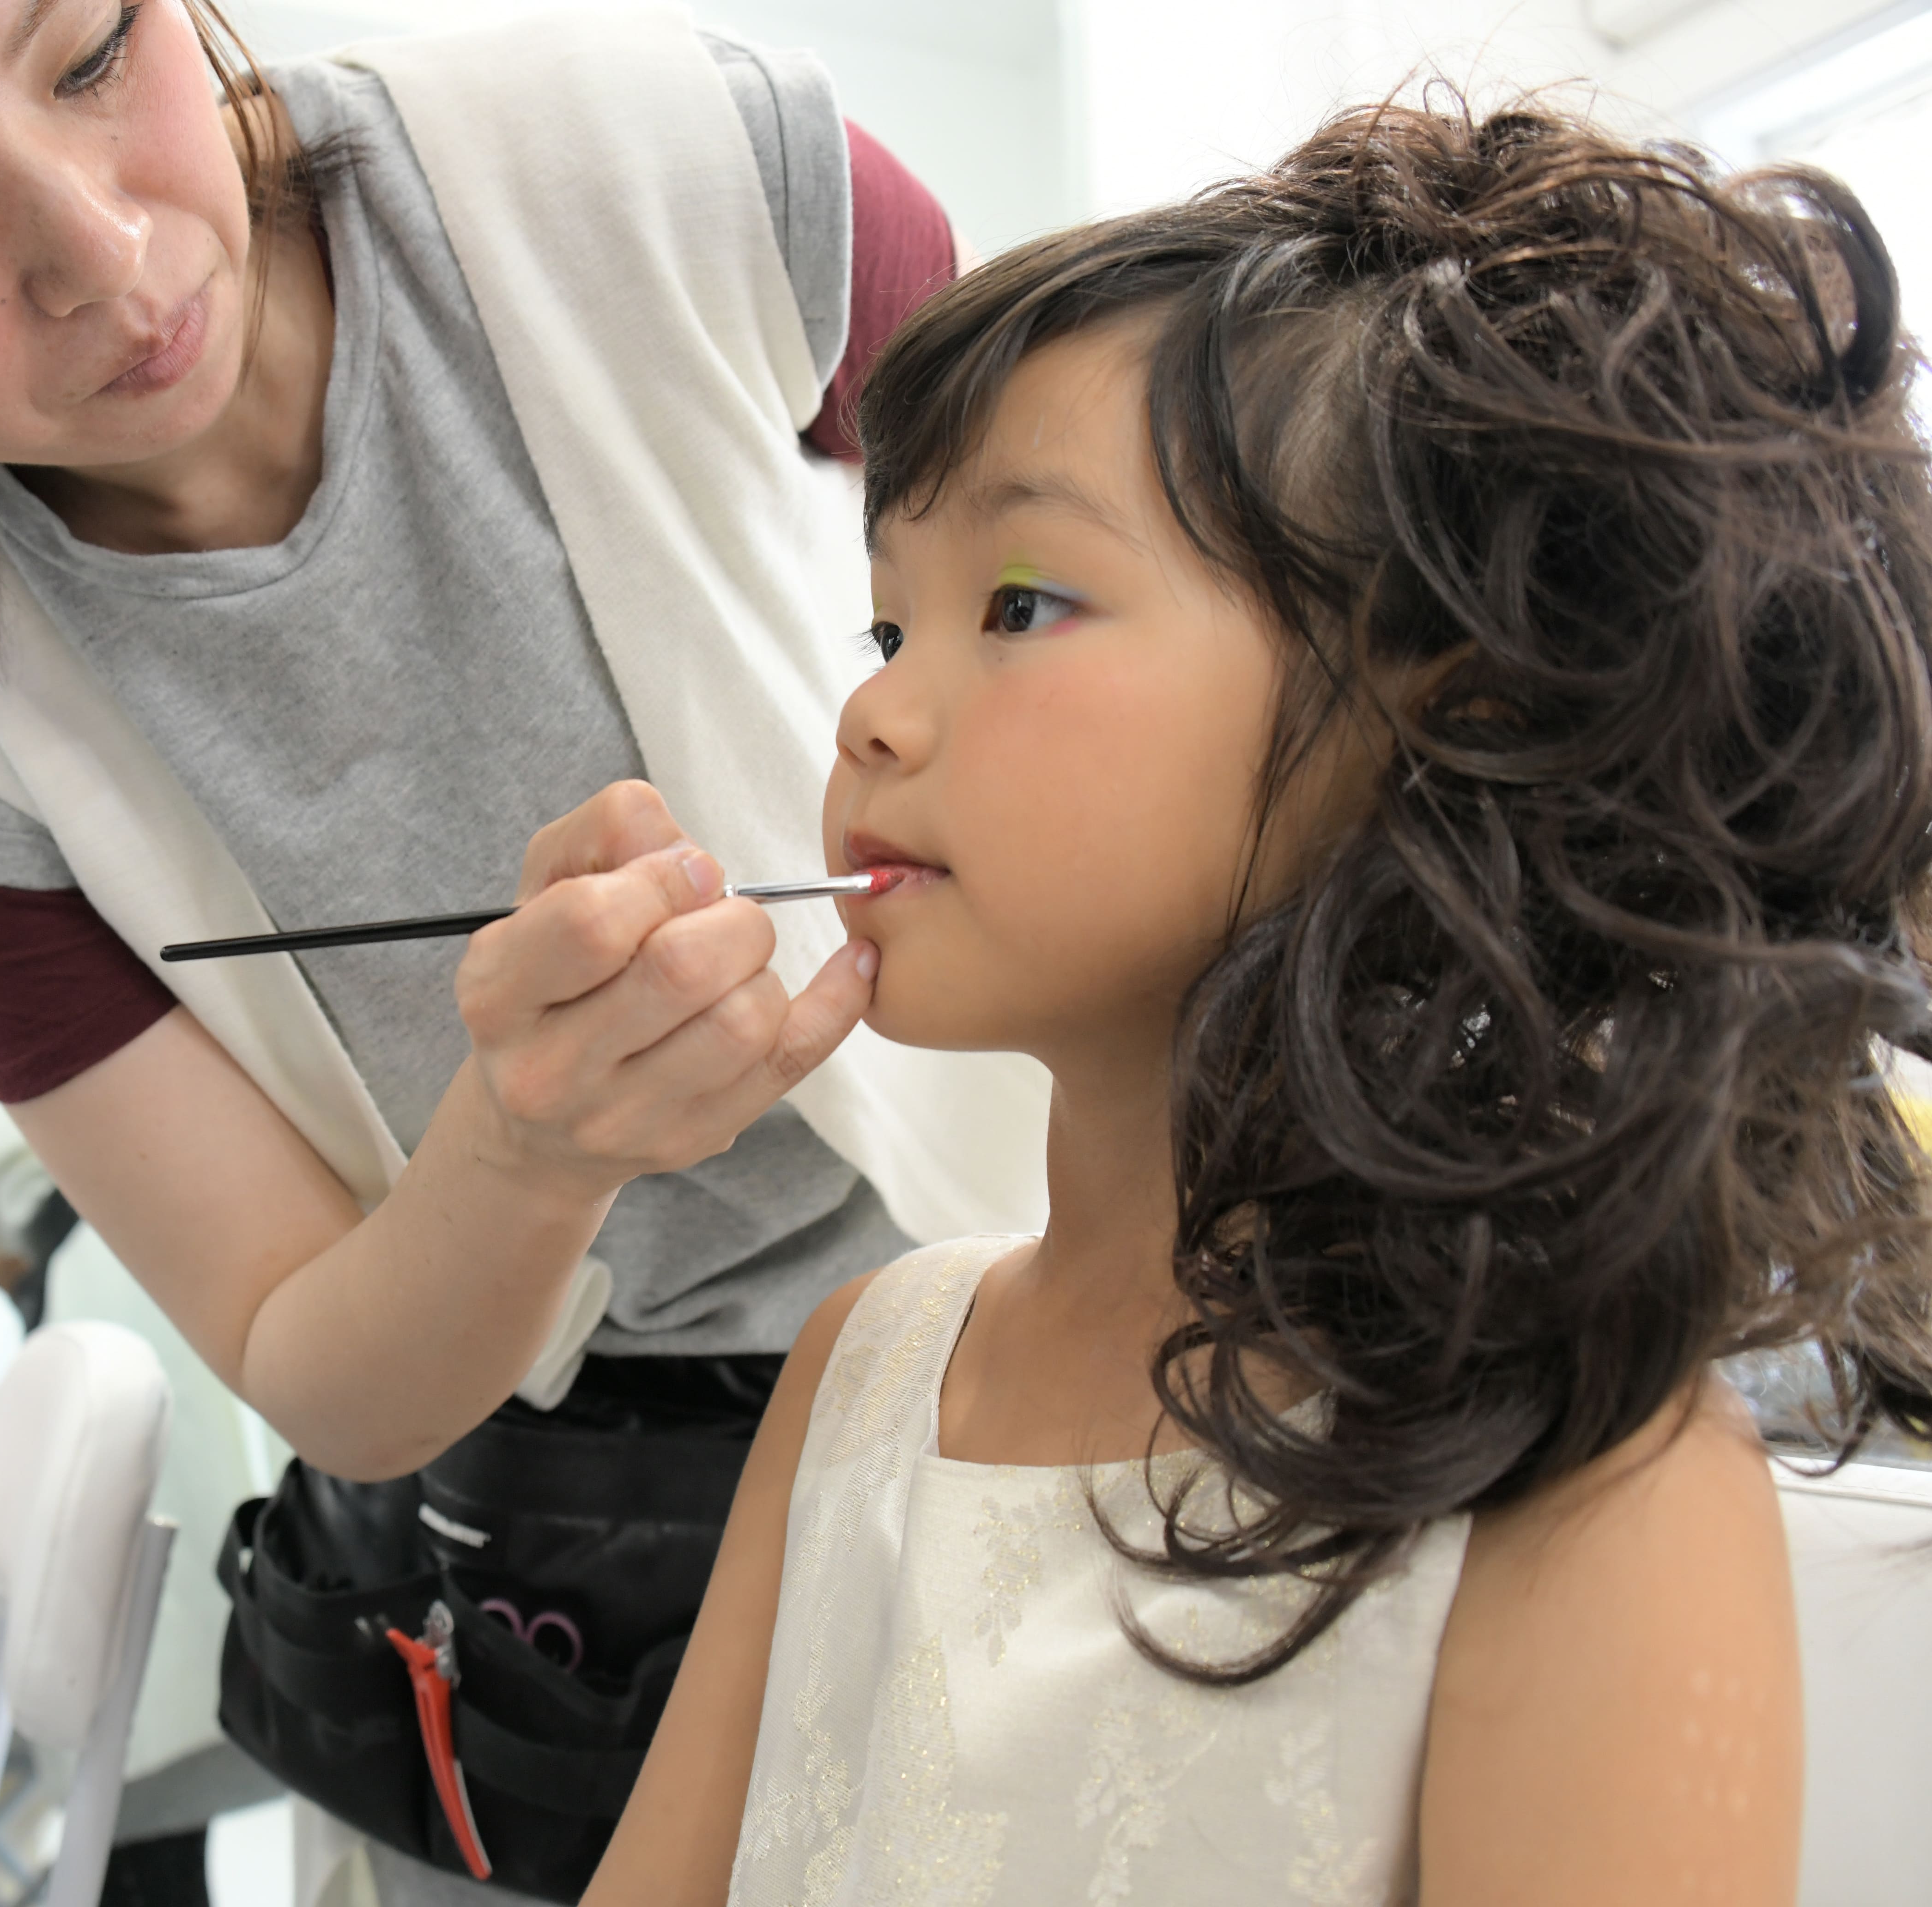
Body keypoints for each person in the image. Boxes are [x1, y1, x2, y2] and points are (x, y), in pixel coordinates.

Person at [0, 0, 1044, 1899]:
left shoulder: (683, 169)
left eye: (90, 55)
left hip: (1054, 1369)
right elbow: (311, 1350)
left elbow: (1143, 645)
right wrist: (526, 1154)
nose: (111, 254)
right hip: (548, 1588)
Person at [585, 98, 1932, 1904]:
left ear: (1447, 716)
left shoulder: (1590, 1478)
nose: (874, 718)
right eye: (888, 627)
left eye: (1025, 602)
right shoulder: (862, 1371)